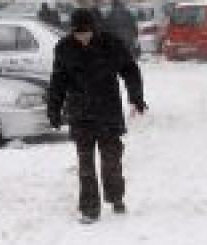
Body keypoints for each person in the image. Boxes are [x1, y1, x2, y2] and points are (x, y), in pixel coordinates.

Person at [47, 8, 146, 223]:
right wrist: (53, 110)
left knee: (111, 160)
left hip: (108, 111)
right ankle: (90, 208)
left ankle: (116, 196)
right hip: (80, 113)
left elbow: (130, 70)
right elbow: (58, 82)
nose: (82, 37)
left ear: (93, 29)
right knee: (85, 165)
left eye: (85, 32)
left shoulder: (111, 44)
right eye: (77, 33)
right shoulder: (64, 48)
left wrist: (136, 97)